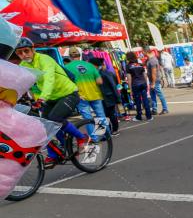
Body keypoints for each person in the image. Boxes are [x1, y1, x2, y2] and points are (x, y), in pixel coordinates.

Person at [15, 38, 89, 166]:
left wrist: (42, 98)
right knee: (44, 126)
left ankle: (82, 137)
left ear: (33, 49)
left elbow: (49, 79)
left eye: (26, 51)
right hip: (49, 98)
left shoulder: (45, 59)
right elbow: (20, 83)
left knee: (55, 118)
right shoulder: (24, 65)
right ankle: (55, 154)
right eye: (20, 53)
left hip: (68, 94)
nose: (24, 55)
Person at [65, 47, 109, 139]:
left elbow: (66, 84)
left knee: (87, 118)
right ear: (79, 55)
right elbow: (100, 81)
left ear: (70, 56)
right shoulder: (90, 65)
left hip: (81, 96)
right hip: (95, 94)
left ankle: (94, 138)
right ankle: (104, 135)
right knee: (100, 115)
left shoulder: (66, 68)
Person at [90, 57, 121, 136]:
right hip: (101, 97)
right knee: (101, 114)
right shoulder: (98, 73)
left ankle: (114, 130)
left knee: (110, 114)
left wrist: (117, 98)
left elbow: (113, 86)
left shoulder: (105, 73)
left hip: (108, 97)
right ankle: (103, 133)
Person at [125, 51, 152, 121]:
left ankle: (139, 116)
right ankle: (149, 116)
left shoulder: (128, 66)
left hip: (135, 85)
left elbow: (129, 78)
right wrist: (146, 84)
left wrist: (130, 90)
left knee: (138, 101)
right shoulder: (140, 64)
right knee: (145, 100)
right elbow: (145, 75)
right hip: (143, 84)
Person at [145, 47, 168, 115]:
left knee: (160, 95)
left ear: (146, 52)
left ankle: (165, 109)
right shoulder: (150, 60)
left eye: (143, 52)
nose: (142, 54)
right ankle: (154, 109)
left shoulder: (152, 60)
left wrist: (153, 83)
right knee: (153, 95)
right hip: (153, 81)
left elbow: (154, 72)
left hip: (155, 81)